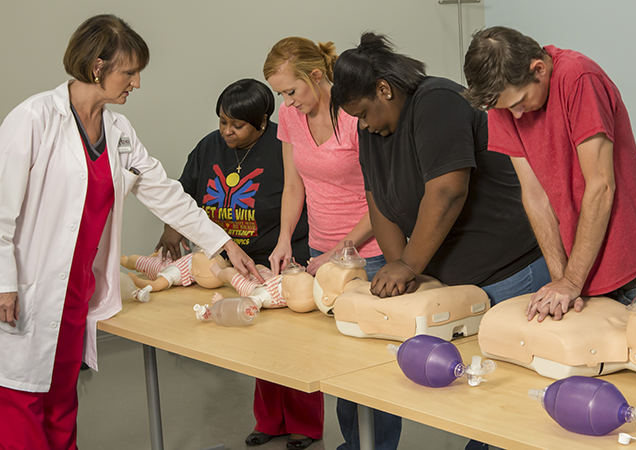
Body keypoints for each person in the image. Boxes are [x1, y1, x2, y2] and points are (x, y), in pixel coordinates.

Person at [0, 14, 260, 450]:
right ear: (97, 66)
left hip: (75, 290)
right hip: (28, 286)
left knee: (63, 395)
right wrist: (4, 283)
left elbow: (165, 193)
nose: (136, 83)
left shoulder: (118, 131)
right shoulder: (34, 118)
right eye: (130, 72)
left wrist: (223, 243)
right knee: (21, 396)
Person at [330, 31, 550, 450]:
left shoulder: (437, 101)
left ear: (384, 89)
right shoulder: (372, 131)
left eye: (363, 113)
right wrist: (402, 275)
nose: (363, 124)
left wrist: (410, 267)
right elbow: (379, 201)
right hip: (450, 280)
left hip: (506, 273)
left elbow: (448, 190)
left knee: (499, 396)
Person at [462, 26, 636, 323]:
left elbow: (601, 186)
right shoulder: (504, 105)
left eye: (519, 103)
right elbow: (534, 195)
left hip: (633, 271)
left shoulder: (579, 78)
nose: (516, 115)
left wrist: (571, 280)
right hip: (579, 277)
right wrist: (561, 278)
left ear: (538, 69)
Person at [258, 37, 386, 450]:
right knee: (336, 362)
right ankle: (354, 444)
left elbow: (383, 199)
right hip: (320, 253)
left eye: (292, 92)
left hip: (370, 254)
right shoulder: (290, 115)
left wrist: (341, 251)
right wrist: (283, 241)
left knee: (369, 367)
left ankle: (373, 446)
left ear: (316, 75)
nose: (289, 103)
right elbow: (293, 185)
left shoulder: (352, 114)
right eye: (282, 95)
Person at [155, 79, 310, 267]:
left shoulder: (283, 147)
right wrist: (173, 226)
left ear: (261, 122)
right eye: (222, 122)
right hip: (219, 258)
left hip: (271, 260)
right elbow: (184, 191)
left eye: (237, 126)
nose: (227, 131)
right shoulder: (208, 146)